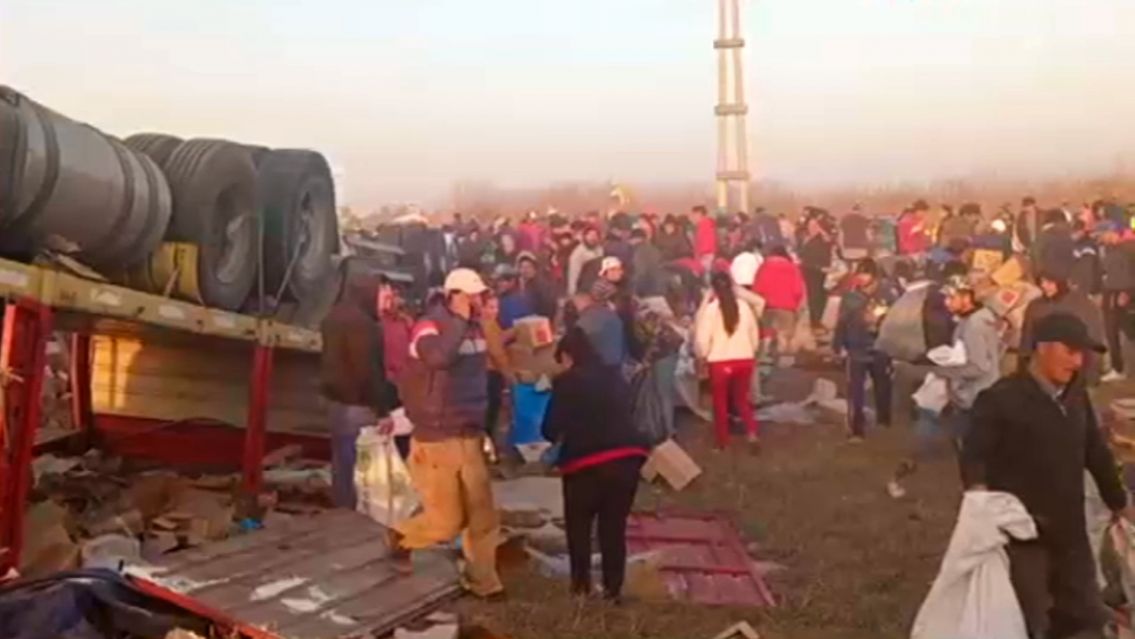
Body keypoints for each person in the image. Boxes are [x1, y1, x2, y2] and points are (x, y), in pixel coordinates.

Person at [962, 312, 1129, 639]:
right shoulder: (1000, 399)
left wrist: (1120, 503)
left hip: (1071, 532)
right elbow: (974, 458)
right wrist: (980, 504)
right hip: (1024, 538)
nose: (1078, 362)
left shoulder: (1076, 397)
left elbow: (1095, 453)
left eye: (1082, 354)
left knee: (1085, 615)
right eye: (1071, 351)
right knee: (1032, 621)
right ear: (1042, 348)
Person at [390, 268, 504, 599]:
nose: (481, 300)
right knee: (446, 522)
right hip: (437, 437)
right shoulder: (429, 326)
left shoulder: (478, 327)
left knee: (483, 517)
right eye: (474, 295)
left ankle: (484, 582)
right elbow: (438, 358)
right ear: (455, 296)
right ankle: (400, 536)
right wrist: (459, 321)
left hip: (469, 432)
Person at [541, 327, 649, 602]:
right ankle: (613, 590)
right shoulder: (615, 376)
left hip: (586, 462)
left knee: (579, 526)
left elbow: (550, 429)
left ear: (568, 356)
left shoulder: (567, 381)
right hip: (628, 458)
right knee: (613, 527)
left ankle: (581, 587)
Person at [320, 274, 392, 509]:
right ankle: (357, 510)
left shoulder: (333, 316)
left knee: (341, 462)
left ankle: (342, 507)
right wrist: (383, 411)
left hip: (335, 402)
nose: (387, 305)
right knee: (360, 464)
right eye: (385, 298)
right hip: (358, 405)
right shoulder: (364, 325)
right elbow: (369, 371)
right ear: (371, 293)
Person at [930, 275, 1002, 446]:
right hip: (977, 395)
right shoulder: (974, 320)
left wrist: (944, 372)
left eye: (952, 297)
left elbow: (978, 367)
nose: (947, 302)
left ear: (967, 298)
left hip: (974, 397)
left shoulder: (974, 325)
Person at [695, 272, 762, 451]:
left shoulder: (711, 310)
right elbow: (754, 333)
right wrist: (752, 350)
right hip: (744, 359)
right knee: (742, 399)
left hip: (720, 361)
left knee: (720, 403)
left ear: (713, 289)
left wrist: (702, 355)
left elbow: (702, 339)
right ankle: (752, 433)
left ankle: (723, 442)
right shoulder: (744, 307)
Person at [833, 259, 896, 441]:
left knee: (883, 387)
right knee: (855, 392)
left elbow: (896, 320)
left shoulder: (887, 295)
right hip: (856, 349)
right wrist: (837, 345)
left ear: (874, 276)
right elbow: (841, 323)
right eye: (859, 273)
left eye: (865, 273)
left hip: (881, 348)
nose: (861, 277)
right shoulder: (850, 298)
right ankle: (856, 429)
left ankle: (884, 422)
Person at [1019, 271, 1107, 385]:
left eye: (1049, 282)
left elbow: (1094, 341)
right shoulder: (1035, 307)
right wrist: (1022, 370)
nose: (1044, 285)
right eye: (1041, 281)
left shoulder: (1084, 306)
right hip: (1044, 373)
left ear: (1061, 282)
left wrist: (1091, 374)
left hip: (1076, 373)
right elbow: (1027, 341)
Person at [377, 278, 414, 459]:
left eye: (396, 295)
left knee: (403, 437)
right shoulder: (374, 324)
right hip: (383, 385)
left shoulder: (405, 323)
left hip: (404, 387)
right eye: (389, 295)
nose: (394, 300)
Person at [753, 245, 805, 359]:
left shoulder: (764, 267)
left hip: (767, 306)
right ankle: (782, 359)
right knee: (784, 334)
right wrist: (796, 306)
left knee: (767, 332)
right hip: (787, 307)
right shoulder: (793, 268)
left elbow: (757, 288)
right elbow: (798, 290)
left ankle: (765, 355)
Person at [481, 293, 513, 458]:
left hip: (484, 374)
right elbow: (497, 352)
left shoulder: (486, 324)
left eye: (496, 307)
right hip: (491, 374)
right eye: (490, 307)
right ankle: (490, 452)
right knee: (490, 416)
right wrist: (509, 375)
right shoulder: (487, 325)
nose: (494, 311)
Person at [798, 215, 834, 329]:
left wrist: (822, 232)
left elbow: (829, 244)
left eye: (815, 225)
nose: (812, 227)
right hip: (810, 270)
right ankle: (815, 322)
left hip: (822, 270)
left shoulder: (823, 238)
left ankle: (818, 320)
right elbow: (802, 254)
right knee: (814, 296)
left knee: (822, 296)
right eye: (810, 225)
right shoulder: (806, 238)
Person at [516, 251, 557, 321]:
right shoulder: (517, 286)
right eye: (522, 267)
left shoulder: (542, 286)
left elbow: (548, 307)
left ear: (534, 269)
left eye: (528, 267)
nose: (525, 270)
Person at [567, 226, 603, 296]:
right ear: (585, 236)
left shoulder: (600, 249)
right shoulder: (579, 252)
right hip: (584, 287)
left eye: (595, 235)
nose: (592, 238)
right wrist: (572, 292)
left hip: (597, 287)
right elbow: (573, 273)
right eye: (590, 235)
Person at [630, 228, 665, 298]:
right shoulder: (654, 249)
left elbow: (640, 273)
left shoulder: (639, 252)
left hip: (647, 290)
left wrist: (634, 291)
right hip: (660, 287)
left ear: (635, 239)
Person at [692, 205, 718, 277]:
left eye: (694, 214)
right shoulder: (704, 225)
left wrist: (699, 254)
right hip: (705, 254)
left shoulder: (705, 225)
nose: (693, 217)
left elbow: (705, 242)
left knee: (704, 275)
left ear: (700, 214)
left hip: (705, 255)